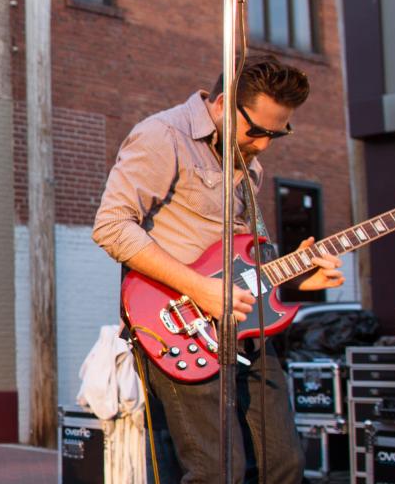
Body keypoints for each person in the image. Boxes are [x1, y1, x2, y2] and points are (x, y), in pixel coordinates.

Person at [92, 55, 341, 483]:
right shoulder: (163, 135)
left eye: (276, 134)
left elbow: (243, 258)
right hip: (181, 325)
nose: (264, 144)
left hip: (248, 325)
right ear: (224, 103)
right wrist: (202, 290)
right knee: (215, 471)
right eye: (258, 130)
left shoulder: (243, 157)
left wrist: (297, 281)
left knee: (283, 467)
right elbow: (111, 227)